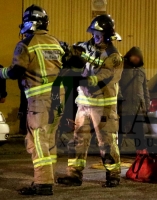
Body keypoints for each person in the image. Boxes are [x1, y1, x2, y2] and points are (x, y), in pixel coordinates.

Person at [0, 5, 65, 195]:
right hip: (58, 96)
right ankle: (47, 177)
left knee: (37, 139)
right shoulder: (55, 42)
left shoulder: (27, 44)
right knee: (49, 138)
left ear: (29, 23)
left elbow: (16, 71)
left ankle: (43, 183)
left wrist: (0, 73)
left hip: (40, 98)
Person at [57, 15, 123, 188]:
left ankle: (113, 174)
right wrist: (66, 50)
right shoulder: (85, 46)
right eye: (94, 33)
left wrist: (87, 79)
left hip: (104, 106)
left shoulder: (114, 56)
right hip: (84, 104)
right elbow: (75, 52)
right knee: (78, 139)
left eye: (99, 34)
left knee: (106, 141)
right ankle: (74, 175)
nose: (95, 36)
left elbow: (106, 75)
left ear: (107, 35)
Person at [118, 47, 150, 150]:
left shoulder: (142, 70)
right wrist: (119, 98)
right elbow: (116, 83)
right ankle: (114, 155)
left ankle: (141, 156)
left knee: (139, 133)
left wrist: (146, 105)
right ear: (129, 56)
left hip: (138, 108)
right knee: (119, 133)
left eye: (138, 57)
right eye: (134, 56)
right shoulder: (122, 68)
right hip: (124, 107)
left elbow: (145, 89)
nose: (136, 59)